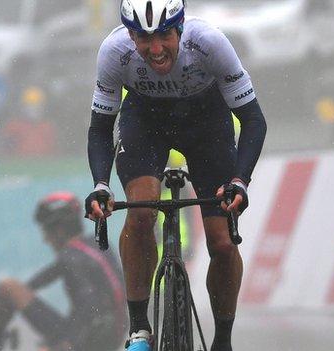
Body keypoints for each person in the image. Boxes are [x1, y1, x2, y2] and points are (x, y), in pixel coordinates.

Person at [84, 1, 267, 351]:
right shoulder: (113, 52)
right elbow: (100, 129)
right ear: (129, 35)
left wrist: (240, 180)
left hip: (206, 124)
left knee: (223, 243)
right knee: (140, 212)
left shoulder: (209, 44)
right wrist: (101, 185)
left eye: (164, 35)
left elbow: (253, 119)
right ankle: (139, 329)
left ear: (180, 28)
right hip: (146, 122)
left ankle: (223, 341)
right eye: (142, 37)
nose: (155, 49)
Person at [0, 191, 127, 351]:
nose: (45, 240)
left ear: (58, 231)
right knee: (11, 290)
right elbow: (44, 278)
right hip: (113, 332)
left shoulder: (69, 257)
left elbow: (89, 300)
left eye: (46, 232)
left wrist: (69, 343)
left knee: (7, 286)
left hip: (88, 337)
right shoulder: (97, 244)